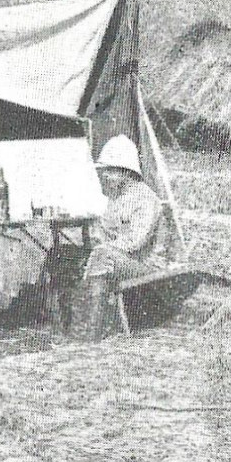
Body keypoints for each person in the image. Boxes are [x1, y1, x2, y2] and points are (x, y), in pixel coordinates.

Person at [75, 135, 168, 339]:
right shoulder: (117, 198)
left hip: (146, 266)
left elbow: (136, 241)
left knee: (103, 257)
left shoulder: (146, 198)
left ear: (126, 171)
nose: (105, 175)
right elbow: (104, 232)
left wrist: (102, 249)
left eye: (111, 170)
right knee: (62, 253)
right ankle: (68, 321)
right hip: (123, 260)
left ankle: (91, 333)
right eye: (105, 170)